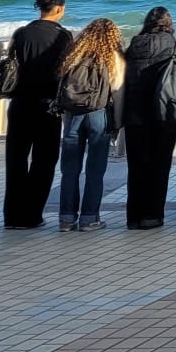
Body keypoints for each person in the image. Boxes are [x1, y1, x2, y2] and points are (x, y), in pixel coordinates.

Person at [1, 0, 72, 230]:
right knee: (44, 161)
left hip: (20, 103)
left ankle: (12, 216)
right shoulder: (63, 36)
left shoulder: (22, 33)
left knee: (16, 159)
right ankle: (32, 214)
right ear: (59, 9)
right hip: (47, 105)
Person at [122, 7, 176, 229]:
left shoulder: (133, 46)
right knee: (160, 164)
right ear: (169, 23)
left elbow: (122, 78)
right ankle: (152, 215)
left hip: (134, 113)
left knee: (136, 166)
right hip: (166, 113)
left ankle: (133, 217)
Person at [53, 17, 125, 232]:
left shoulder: (74, 54)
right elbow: (118, 90)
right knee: (95, 170)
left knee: (69, 170)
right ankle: (89, 218)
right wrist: (118, 122)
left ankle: (66, 219)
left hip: (73, 115)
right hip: (99, 114)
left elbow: (62, 86)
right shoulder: (112, 57)